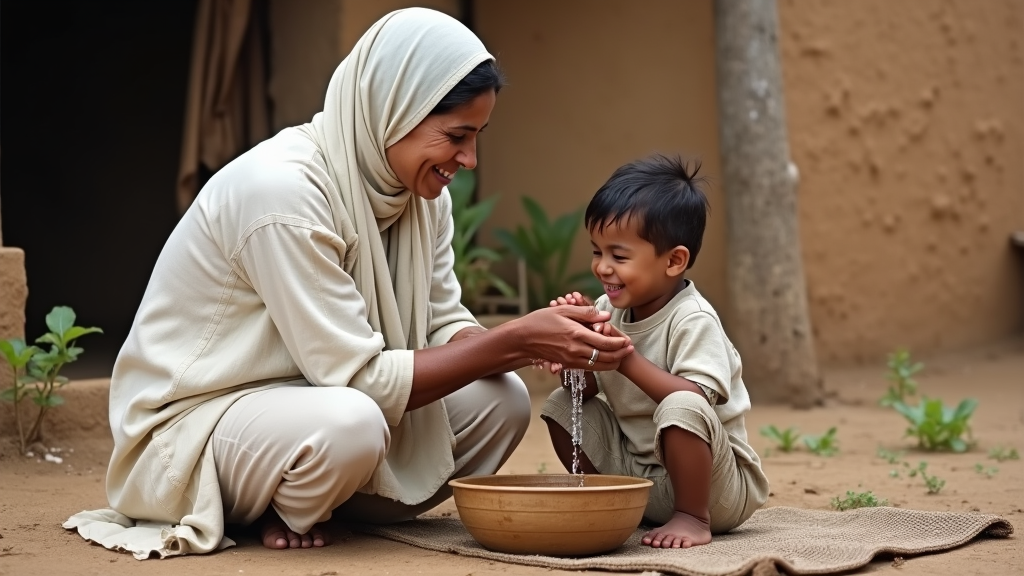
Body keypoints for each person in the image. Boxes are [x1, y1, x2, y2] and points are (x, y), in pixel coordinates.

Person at [64, 8, 633, 559]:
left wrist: (539, 344)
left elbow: (443, 323)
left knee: (501, 399)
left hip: (310, 411)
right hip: (197, 427)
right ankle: (276, 504)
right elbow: (358, 381)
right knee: (352, 422)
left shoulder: (418, 196)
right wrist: (515, 341)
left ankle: (327, 501)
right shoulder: (283, 195)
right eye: (457, 136)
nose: (471, 158)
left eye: (478, 135)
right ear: (394, 110)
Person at [540, 154, 770, 549]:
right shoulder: (606, 309)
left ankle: (691, 519)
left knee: (682, 404)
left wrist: (624, 356)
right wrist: (574, 350)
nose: (602, 267)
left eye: (619, 256)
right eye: (597, 251)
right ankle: (612, 503)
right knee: (563, 403)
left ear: (674, 260)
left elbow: (696, 399)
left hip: (717, 490)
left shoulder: (693, 319)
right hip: (641, 474)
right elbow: (587, 391)